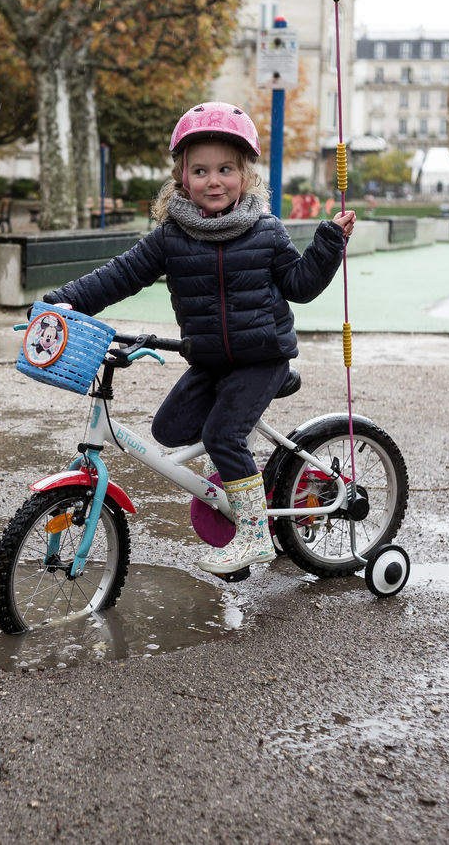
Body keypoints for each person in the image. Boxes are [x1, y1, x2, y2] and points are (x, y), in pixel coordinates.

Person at [42, 101, 355, 575]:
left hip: (262, 358)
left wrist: (328, 241)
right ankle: (235, 471)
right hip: (210, 360)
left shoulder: (266, 231)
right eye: (201, 170)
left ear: (245, 175)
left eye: (226, 169)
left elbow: (300, 285)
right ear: (182, 178)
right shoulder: (171, 238)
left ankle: (254, 536)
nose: (214, 180)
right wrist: (63, 301)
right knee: (168, 429)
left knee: (222, 435)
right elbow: (120, 275)